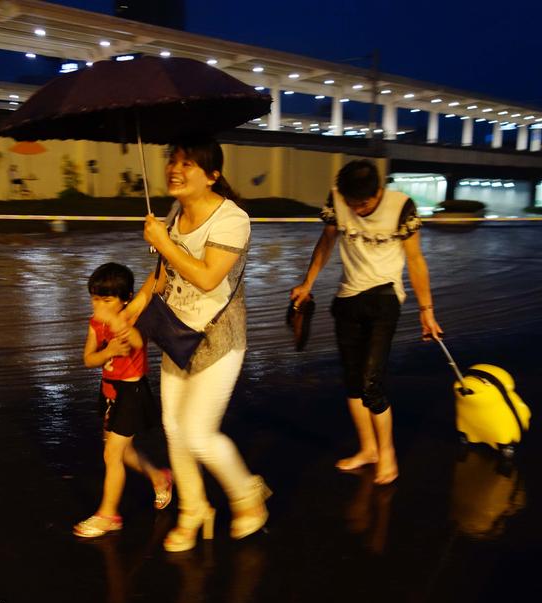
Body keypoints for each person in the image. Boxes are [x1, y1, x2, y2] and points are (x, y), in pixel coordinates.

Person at [126, 137, 270, 552]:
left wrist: (164, 242)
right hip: (176, 333)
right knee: (174, 429)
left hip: (218, 339)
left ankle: (248, 497)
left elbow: (207, 277)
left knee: (198, 433)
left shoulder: (232, 219)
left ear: (212, 175)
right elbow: (162, 275)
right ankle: (194, 510)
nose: (175, 169)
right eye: (173, 161)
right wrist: (132, 309)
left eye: (187, 163)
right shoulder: (174, 212)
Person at [290, 160, 443, 485]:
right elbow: (327, 241)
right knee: (352, 381)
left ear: (378, 192)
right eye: (352, 204)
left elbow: (415, 260)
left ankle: (388, 454)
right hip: (348, 296)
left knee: (371, 382)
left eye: (363, 204)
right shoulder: (337, 199)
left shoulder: (401, 207)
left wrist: (426, 310)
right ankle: (369, 449)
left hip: (385, 296)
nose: (357, 210)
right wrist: (307, 283)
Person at [73, 262, 173, 538]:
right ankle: (159, 477)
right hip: (109, 391)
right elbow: (88, 358)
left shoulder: (132, 320)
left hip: (132, 394)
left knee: (112, 454)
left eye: (107, 300)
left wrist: (118, 325)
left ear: (126, 299)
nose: (99, 306)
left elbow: (138, 342)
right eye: (95, 299)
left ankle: (109, 515)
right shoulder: (95, 323)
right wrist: (108, 352)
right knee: (124, 453)